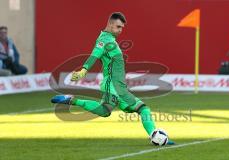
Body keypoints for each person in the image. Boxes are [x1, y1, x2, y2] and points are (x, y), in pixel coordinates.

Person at [51, 12, 174, 145]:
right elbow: (94, 55)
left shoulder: (111, 40)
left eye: (122, 28)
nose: (120, 30)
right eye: (118, 27)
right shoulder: (104, 40)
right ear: (110, 24)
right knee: (106, 110)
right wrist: (84, 70)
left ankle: (156, 136)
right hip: (111, 83)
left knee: (143, 109)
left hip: (120, 87)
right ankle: (72, 100)